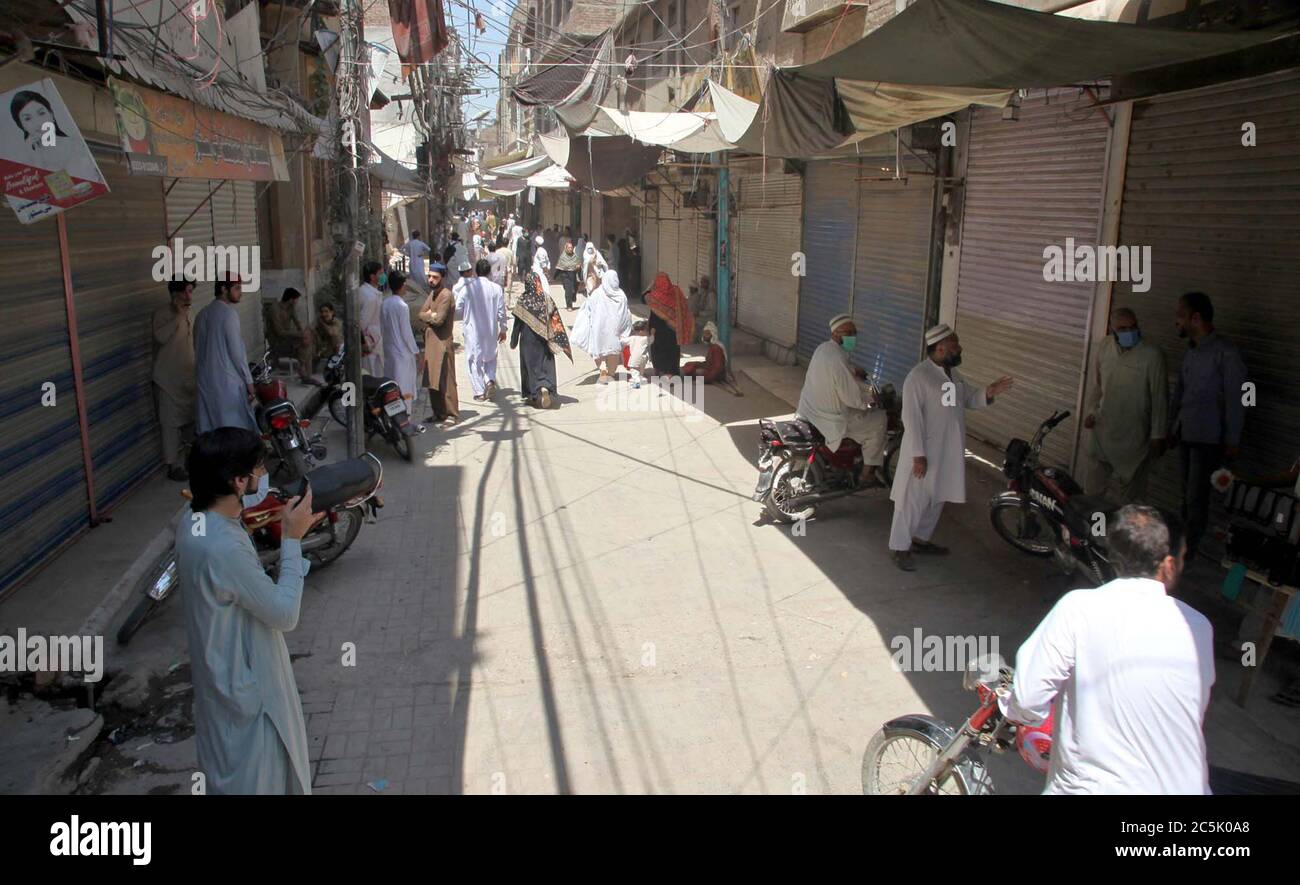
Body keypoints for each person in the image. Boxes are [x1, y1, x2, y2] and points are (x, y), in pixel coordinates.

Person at [1001, 505, 1213, 794]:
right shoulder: (1198, 627)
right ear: (1168, 565)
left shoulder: (1079, 609)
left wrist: (1018, 712)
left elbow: (1027, 699)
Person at [176, 427, 317, 794]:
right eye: (257, 468)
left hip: (220, 685)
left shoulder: (193, 520)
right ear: (238, 481)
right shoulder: (222, 547)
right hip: (249, 696)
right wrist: (291, 540)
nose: (262, 474)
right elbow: (284, 615)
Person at [888, 324, 1014, 571]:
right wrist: (918, 455)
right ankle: (899, 548)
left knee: (937, 497)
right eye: (956, 346)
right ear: (942, 347)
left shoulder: (952, 376)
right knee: (912, 500)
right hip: (924, 451)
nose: (960, 349)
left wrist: (989, 392)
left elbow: (968, 398)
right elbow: (911, 418)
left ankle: (920, 540)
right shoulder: (919, 376)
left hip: (948, 451)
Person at [1169, 291, 1248, 559]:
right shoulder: (1191, 352)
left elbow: (1238, 399)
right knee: (1185, 499)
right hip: (1187, 434)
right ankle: (1181, 549)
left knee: (1195, 500)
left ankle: (1185, 558)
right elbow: (1180, 392)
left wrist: (1233, 440)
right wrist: (1172, 426)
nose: (1176, 321)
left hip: (1208, 440)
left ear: (1196, 317)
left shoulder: (1226, 353)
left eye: (1180, 315)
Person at [1083, 307, 1168, 504]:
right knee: (1092, 492)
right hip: (1104, 431)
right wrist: (1091, 411)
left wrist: (1158, 435)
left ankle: (1124, 533)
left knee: (1131, 500)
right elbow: (1097, 386)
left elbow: (1160, 398)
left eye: (1133, 327)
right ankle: (1092, 530)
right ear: (1113, 330)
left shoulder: (1152, 356)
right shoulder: (1104, 347)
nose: (1129, 332)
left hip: (1134, 437)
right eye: (1123, 328)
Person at [796, 314, 888, 488]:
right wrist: (870, 401)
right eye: (849, 333)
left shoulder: (823, 349)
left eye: (854, 333)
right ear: (837, 333)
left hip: (810, 411)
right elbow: (851, 398)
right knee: (879, 419)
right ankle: (867, 474)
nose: (853, 337)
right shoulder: (838, 357)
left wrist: (853, 370)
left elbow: (838, 375)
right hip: (831, 419)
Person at [193, 275, 257, 433]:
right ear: (223, 289)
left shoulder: (201, 314)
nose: (240, 292)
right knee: (234, 432)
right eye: (237, 288)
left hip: (205, 384)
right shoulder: (229, 314)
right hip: (228, 385)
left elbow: (198, 349)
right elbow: (237, 353)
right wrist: (249, 382)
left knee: (213, 432)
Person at [511, 253, 573, 409]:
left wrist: (513, 341)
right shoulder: (547, 299)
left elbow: (517, 325)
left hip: (527, 342)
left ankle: (535, 393)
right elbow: (556, 320)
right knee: (546, 365)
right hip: (545, 339)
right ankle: (546, 386)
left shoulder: (523, 300)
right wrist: (559, 339)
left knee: (530, 367)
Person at [152, 278, 197, 481]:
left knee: (190, 423)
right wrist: (178, 316)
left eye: (191, 292)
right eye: (186, 292)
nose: (189, 297)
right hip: (167, 381)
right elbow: (160, 337)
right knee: (170, 425)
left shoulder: (189, 314)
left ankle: (190, 460)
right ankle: (172, 466)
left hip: (187, 379)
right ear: (175, 294)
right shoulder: (163, 315)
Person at [459, 257, 509, 402]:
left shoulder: (468, 288)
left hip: (473, 330)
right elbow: (501, 312)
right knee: (491, 357)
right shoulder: (496, 288)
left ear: (476, 271)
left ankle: (480, 391)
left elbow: (458, 307)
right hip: (491, 330)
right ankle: (490, 380)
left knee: (474, 360)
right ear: (489, 272)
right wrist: (503, 329)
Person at [570, 269, 632, 384]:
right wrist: (624, 330)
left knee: (599, 350)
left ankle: (602, 367)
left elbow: (588, 309)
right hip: (615, 331)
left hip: (598, 329)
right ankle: (611, 374)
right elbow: (625, 315)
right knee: (613, 353)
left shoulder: (597, 293)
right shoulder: (621, 295)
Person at [418, 263, 460, 427]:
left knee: (446, 380)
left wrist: (429, 316)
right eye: (429, 276)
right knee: (432, 379)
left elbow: (439, 319)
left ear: (442, 278)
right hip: (431, 342)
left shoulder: (445, 295)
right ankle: (438, 412)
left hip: (442, 343)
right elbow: (421, 313)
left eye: (435, 277)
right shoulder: (433, 293)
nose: (431, 280)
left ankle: (451, 414)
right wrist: (428, 315)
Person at [380, 270, 419, 404]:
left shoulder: (385, 303)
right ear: (402, 285)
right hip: (402, 353)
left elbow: (382, 328)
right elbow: (406, 333)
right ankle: (404, 416)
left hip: (389, 350)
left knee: (391, 386)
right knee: (404, 387)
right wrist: (415, 351)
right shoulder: (402, 306)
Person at [645, 271, 692, 375]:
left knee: (658, 351)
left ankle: (661, 372)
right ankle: (673, 373)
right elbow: (684, 307)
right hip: (673, 329)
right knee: (673, 351)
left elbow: (643, 297)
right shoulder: (676, 291)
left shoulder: (653, 295)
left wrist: (651, 285)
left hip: (657, 330)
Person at [267, 287, 315, 383]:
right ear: (290, 299)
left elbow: (297, 322)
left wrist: (303, 333)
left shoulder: (291, 308)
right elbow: (279, 332)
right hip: (277, 342)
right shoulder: (275, 309)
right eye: (296, 299)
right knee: (303, 345)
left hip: (288, 339)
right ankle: (304, 373)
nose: (297, 301)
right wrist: (299, 334)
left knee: (308, 342)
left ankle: (307, 374)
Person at [358, 261, 385, 376]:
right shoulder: (370, 297)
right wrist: (363, 341)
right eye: (380, 273)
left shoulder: (366, 291)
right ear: (372, 276)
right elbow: (362, 323)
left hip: (374, 338)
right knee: (372, 372)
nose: (383, 276)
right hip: (371, 339)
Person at [681, 320, 727, 384]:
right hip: (709, 368)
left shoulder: (716, 348)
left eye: (707, 334)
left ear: (713, 334)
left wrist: (704, 380)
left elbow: (717, 368)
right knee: (689, 364)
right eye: (704, 333)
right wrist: (696, 364)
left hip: (716, 374)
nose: (704, 336)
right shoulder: (712, 346)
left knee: (695, 371)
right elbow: (709, 362)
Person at [312, 302, 343, 367]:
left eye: (326, 311)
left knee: (335, 337)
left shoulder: (337, 322)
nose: (324, 314)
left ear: (332, 312)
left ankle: (337, 363)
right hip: (323, 349)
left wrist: (322, 323)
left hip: (336, 350)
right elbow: (310, 329)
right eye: (322, 312)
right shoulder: (319, 322)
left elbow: (332, 333)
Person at [553, 239, 582, 309]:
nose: (570, 249)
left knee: (573, 290)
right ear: (566, 248)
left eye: (571, 247)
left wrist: (578, 267)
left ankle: (573, 298)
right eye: (569, 247)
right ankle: (569, 306)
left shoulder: (575, 256)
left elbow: (579, 264)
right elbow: (559, 268)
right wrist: (554, 276)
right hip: (566, 276)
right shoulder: (563, 257)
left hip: (574, 276)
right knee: (568, 291)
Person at [622, 320, 650, 388]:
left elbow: (623, 341)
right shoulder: (646, 339)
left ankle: (637, 382)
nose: (647, 332)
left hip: (635, 358)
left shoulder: (632, 338)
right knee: (641, 369)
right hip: (644, 357)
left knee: (634, 371)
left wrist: (621, 338)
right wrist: (653, 333)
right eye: (646, 330)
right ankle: (641, 378)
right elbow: (652, 339)